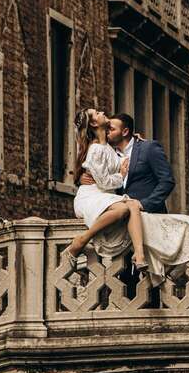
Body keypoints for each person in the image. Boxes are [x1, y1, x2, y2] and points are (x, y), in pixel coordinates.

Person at [77, 112, 189, 281]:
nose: (107, 132)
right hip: (122, 226)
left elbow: (167, 181)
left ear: (125, 131)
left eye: (111, 129)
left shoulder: (148, 148)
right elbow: (94, 168)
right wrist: (80, 178)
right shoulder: (107, 151)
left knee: (154, 281)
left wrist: (145, 204)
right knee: (125, 279)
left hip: (149, 216)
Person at [64, 108, 149, 275]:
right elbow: (104, 182)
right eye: (97, 113)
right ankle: (82, 240)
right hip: (91, 196)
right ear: (95, 123)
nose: (102, 112)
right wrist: (121, 176)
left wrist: (136, 142)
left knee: (132, 205)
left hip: (103, 195)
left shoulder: (107, 147)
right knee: (124, 208)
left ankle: (139, 256)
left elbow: (124, 161)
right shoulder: (95, 149)